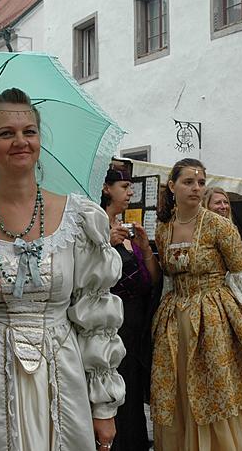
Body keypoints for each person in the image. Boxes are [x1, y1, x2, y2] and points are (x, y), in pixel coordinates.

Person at [0, 88, 125, 451]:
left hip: (63, 373)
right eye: (6, 133)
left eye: (29, 131)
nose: (20, 141)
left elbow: (96, 314)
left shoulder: (79, 219)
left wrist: (103, 406)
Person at [151, 158, 242, 450]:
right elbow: (167, 279)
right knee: (179, 390)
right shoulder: (163, 229)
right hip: (175, 318)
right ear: (172, 186)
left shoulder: (219, 226)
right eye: (188, 182)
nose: (196, 188)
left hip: (215, 318)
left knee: (216, 387)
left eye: (200, 182)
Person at [100, 165, 160, 451]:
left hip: (135, 321)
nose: (131, 192)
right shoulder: (97, 227)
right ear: (106, 189)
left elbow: (150, 280)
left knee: (133, 385)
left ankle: (135, 440)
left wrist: (146, 248)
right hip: (112, 321)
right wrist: (104, 245)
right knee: (115, 384)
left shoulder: (128, 231)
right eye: (124, 187)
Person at [203, 187, 242, 330]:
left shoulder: (231, 229)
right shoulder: (200, 232)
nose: (223, 206)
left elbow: (238, 266)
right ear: (206, 205)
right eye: (218, 203)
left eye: (226, 202)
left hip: (238, 289)